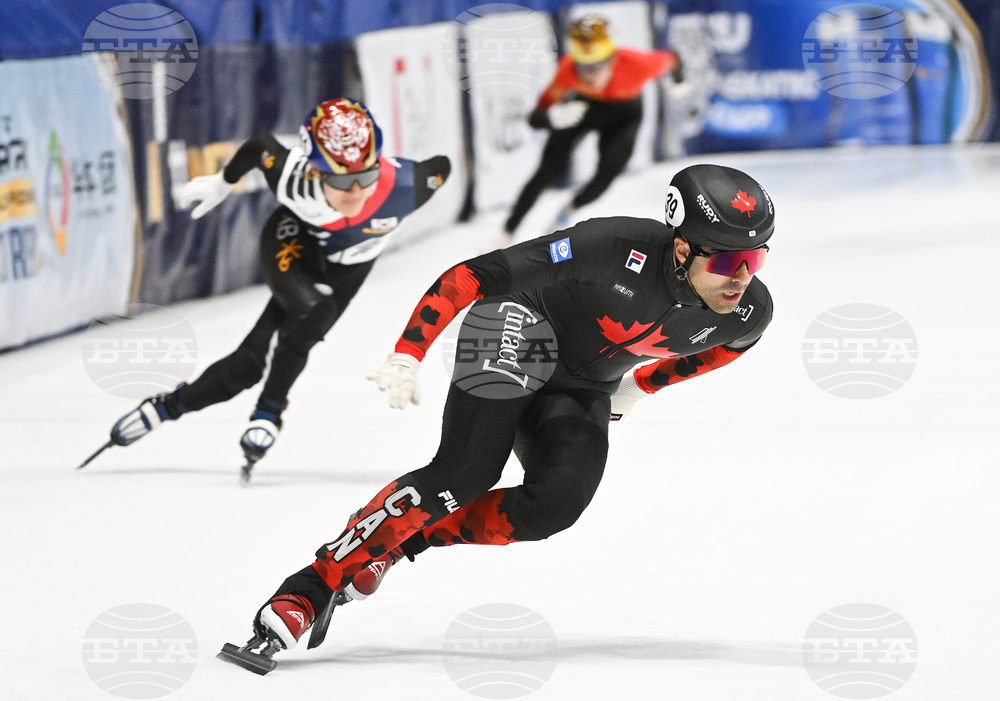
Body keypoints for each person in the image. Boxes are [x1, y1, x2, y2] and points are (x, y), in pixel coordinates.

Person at [218, 163, 775, 673]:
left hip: (584, 382)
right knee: (466, 474)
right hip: (520, 324)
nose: (741, 277)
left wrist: (642, 386)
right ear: (680, 249)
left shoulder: (749, 312)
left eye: (756, 259)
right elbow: (472, 276)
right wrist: (408, 352)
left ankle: (404, 541)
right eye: (727, 261)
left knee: (551, 508)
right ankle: (310, 587)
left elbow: (728, 348)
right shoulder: (611, 244)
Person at [104, 98, 451, 482]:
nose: (355, 191)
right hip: (292, 241)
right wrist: (222, 184)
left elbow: (443, 167)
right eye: (339, 180)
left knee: (250, 364)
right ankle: (269, 411)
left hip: (351, 265)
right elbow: (260, 146)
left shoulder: (410, 185)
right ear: (315, 173)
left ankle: (166, 407)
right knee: (314, 311)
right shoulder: (291, 177)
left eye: (366, 177)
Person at [499, 15, 680, 242]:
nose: (590, 76)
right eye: (583, 68)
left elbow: (674, 59)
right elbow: (535, 118)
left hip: (625, 115)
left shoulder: (638, 64)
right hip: (584, 108)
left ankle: (571, 207)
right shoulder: (568, 70)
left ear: (613, 60)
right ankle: (507, 230)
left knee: (608, 173)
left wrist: (680, 81)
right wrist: (552, 118)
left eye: (597, 67)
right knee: (546, 170)